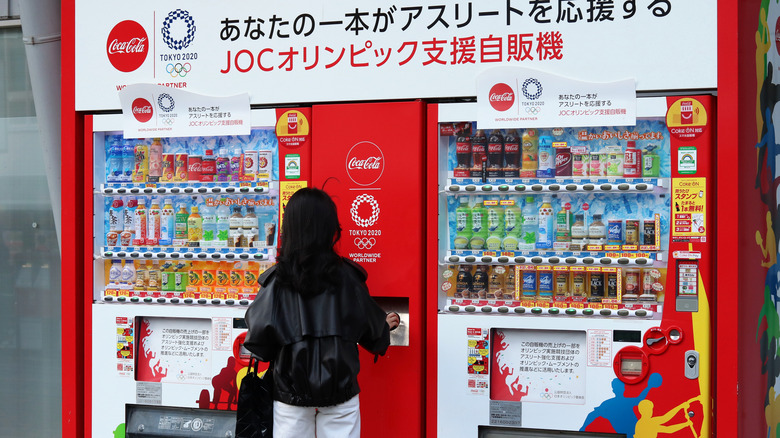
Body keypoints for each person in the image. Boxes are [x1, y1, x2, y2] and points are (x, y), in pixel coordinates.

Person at [243, 187, 400, 438]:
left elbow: (258, 335)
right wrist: (386, 325)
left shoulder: (277, 280)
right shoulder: (348, 276)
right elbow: (372, 329)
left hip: (290, 394)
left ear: (289, 228)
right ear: (330, 227)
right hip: (340, 393)